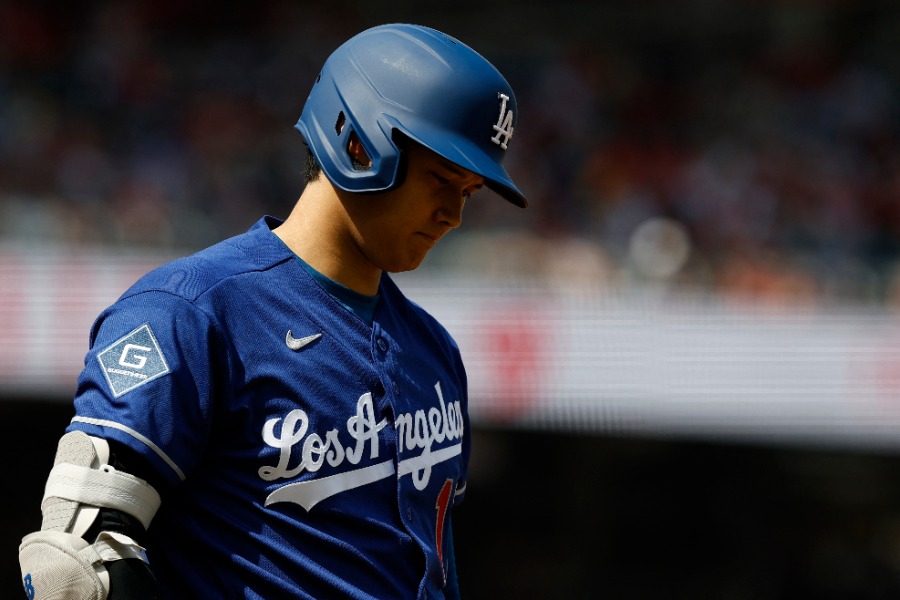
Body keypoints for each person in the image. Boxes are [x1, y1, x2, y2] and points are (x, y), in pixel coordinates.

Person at [18, 22, 526, 600]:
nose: (453, 215)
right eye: (441, 180)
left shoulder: (435, 350)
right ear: (359, 145)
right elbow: (71, 565)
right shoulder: (189, 312)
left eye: (468, 192)